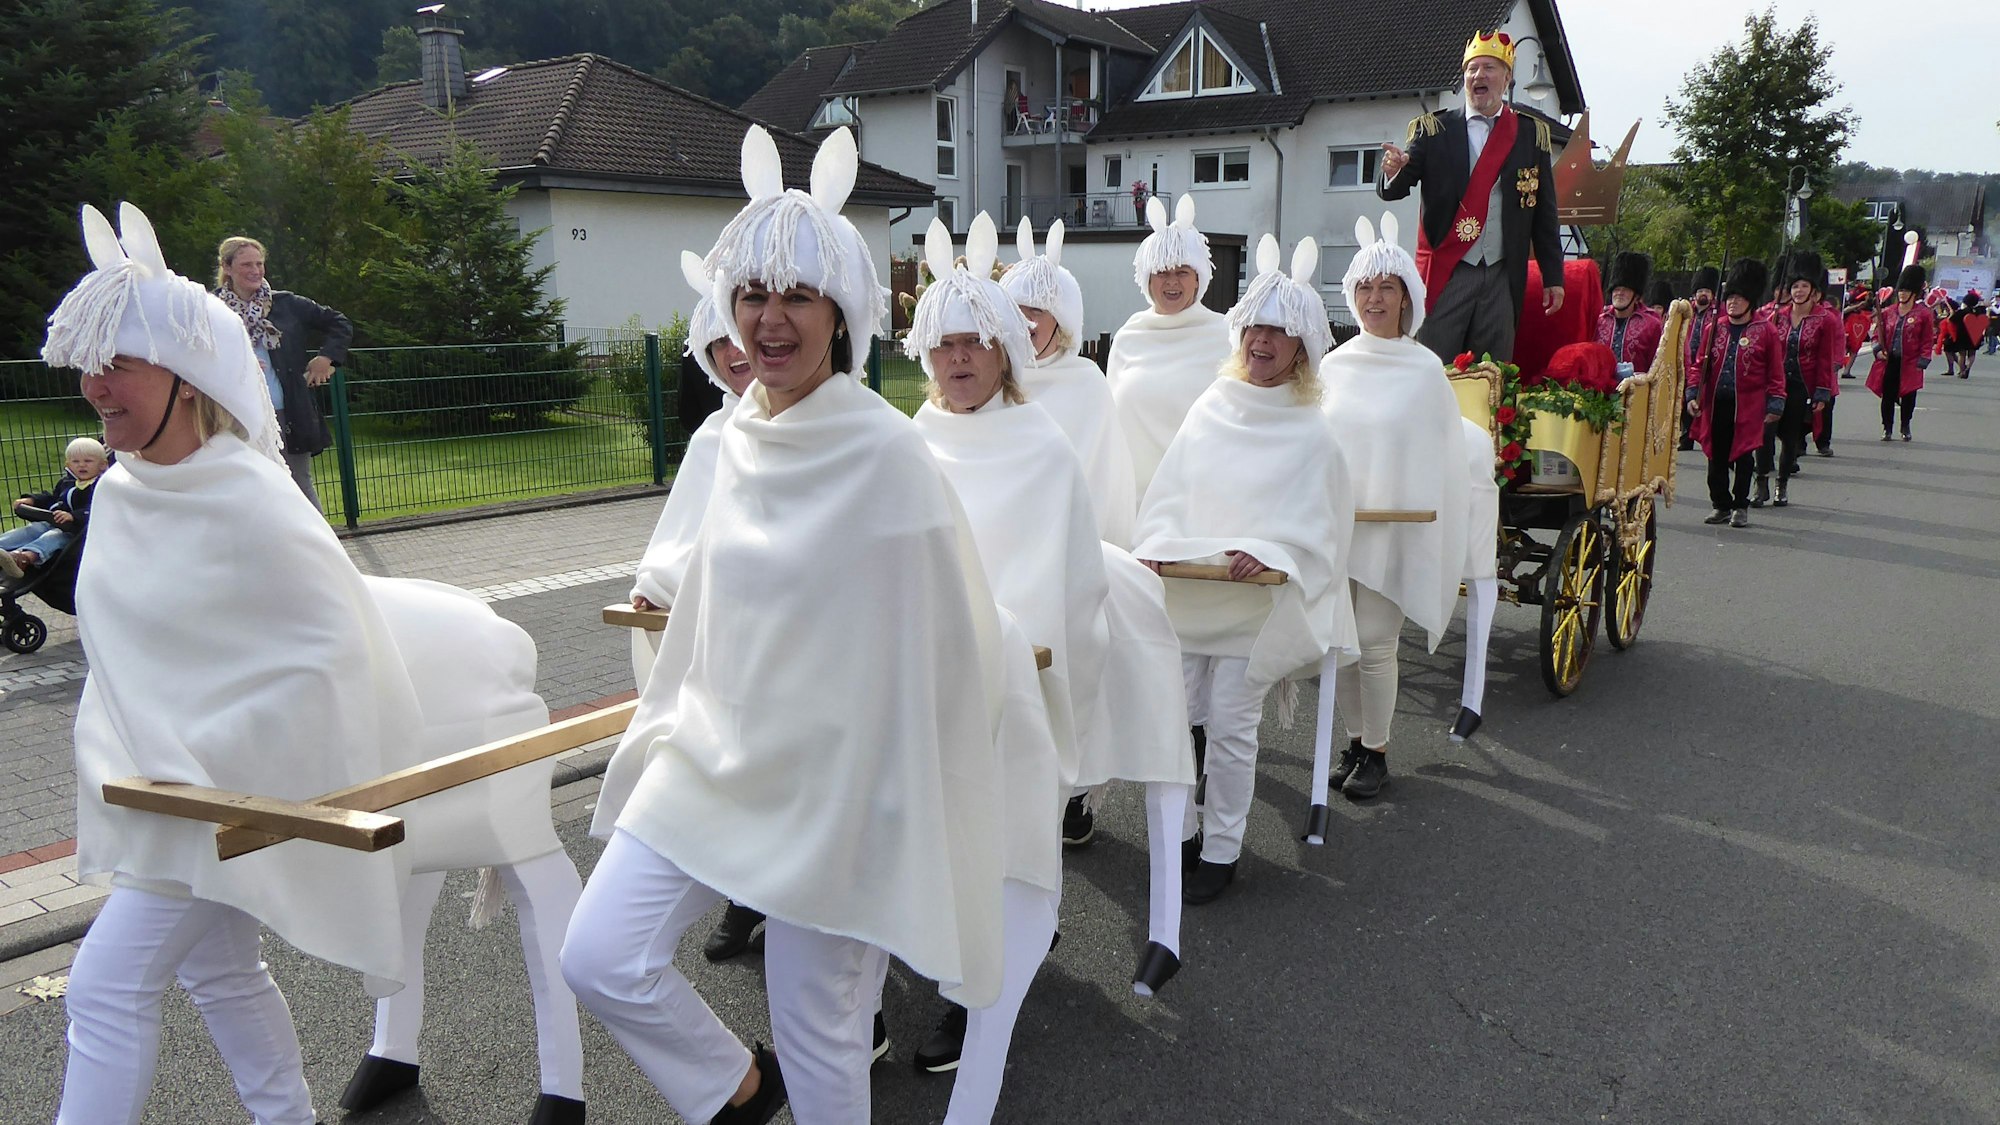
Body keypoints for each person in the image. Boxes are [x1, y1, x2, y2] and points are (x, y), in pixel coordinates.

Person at [561, 126, 1009, 1125]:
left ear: (839, 313)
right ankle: (732, 1086)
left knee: (822, 1038)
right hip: (713, 759)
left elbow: (944, 650)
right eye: (752, 295)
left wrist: (889, 803)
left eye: (795, 297)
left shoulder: (887, 457)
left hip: (836, 795)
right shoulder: (735, 440)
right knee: (598, 955)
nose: (768, 321)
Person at [905, 213, 1090, 1116]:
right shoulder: (908, 443)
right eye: (943, 344)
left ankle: (968, 990)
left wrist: (1008, 639)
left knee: (986, 834)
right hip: (922, 673)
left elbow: (1071, 583)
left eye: (977, 340)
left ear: (1008, 350)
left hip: (1013, 678)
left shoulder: (1043, 447)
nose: (959, 358)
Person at [1133, 234, 1356, 906]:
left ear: (1302, 347)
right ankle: (1182, 832)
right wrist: (1160, 542)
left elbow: (1322, 522)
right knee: (1174, 717)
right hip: (1192, 598)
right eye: (1255, 326)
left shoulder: (1312, 428)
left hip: (1254, 607)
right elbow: (1172, 492)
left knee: (1230, 726)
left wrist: (1278, 551)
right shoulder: (1212, 406)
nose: (1263, 341)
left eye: (1280, 331)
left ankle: (1222, 849)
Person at [624, 253, 775, 968]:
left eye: (736, 342)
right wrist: (656, 582)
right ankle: (743, 895)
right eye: (717, 348)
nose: (731, 356)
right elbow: (686, 531)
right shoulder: (712, 436)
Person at [1319, 213, 1472, 798]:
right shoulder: (1333, 365)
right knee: (1344, 643)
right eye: (1364, 287)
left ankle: (1377, 752)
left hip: (1392, 530)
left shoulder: (1423, 370)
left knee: (1376, 642)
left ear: (1408, 297)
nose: (1374, 298)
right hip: (1340, 530)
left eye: (1387, 287)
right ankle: (1356, 742)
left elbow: (1440, 456)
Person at [1378, 29, 1564, 364]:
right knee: (1432, 367)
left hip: (1502, 274)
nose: (1479, 76)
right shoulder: (1433, 130)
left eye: (1489, 68)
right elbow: (1398, 185)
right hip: (1449, 271)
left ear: (1507, 78)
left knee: (1492, 376)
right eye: (1472, 69)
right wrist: (1393, 172)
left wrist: (1553, 276)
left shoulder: (1530, 134)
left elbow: (1544, 213)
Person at [1001, 217, 1137, 546]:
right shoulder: (995, 379)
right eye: (1016, 310)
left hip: (1069, 542)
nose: (1026, 322)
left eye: (1036, 310)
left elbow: (1097, 480)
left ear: (1062, 322)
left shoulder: (1086, 384)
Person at [1105, 193, 1233, 501]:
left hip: (1199, 501)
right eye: (1161, 272)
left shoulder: (1226, 336)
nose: (1171, 282)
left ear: (1199, 278)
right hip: (1132, 502)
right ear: (1147, 280)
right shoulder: (1128, 337)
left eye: (1181, 272)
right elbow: (1110, 426)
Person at [214, 236, 352, 506]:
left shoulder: (286, 304)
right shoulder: (210, 309)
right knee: (246, 492)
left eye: (259, 263)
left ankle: (318, 548)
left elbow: (339, 323)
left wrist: (327, 358)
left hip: (287, 413)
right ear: (227, 267)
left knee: (298, 486)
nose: (255, 270)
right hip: (234, 417)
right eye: (246, 265)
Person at [1686, 259, 1782, 527]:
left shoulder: (1766, 331)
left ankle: (1741, 505)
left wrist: (1775, 403)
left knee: (1743, 455)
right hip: (1716, 404)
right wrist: (1693, 393)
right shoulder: (1713, 328)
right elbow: (1699, 365)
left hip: (1749, 405)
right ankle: (1720, 504)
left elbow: (1775, 371)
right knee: (1714, 456)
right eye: (1730, 299)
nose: (1733, 303)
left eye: (1739, 299)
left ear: (1750, 301)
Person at [1754, 252, 1838, 506]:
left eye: (1804, 286)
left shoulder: (1826, 320)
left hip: (1801, 385)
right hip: (1773, 384)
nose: (1799, 291)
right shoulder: (1775, 315)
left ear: (1814, 291)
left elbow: (1826, 358)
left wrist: (1822, 392)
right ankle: (1761, 485)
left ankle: (1782, 485)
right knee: (1764, 434)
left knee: (1790, 437)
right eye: (1795, 286)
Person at [0, 437, 105, 579]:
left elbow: (97, 509)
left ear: (102, 465)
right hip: (53, 522)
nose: (82, 465)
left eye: (88, 461)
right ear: (68, 464)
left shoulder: (101, 486)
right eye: (76, 461)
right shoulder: (67, 482)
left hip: (76, 532)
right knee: (31, 530)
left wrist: (73, 516)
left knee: (53, 537)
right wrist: (32, 500)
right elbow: (53, 500)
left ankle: (24, 558)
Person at [1865, 263, 1937, 441]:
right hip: (1889, 361)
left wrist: (1924, 358)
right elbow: (1876, 335)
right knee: (1887, 397)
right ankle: (1887, 427)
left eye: (1906, 290)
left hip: (1911, 363)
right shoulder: (1888, 312)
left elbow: (1927, 339)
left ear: (1914, 292)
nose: (1902, 294)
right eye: (1900, 290)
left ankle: (1905, 425)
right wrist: (1877, 350)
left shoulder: (1924, 314)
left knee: (1909, 396)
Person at [1595, 251, 1665, 372]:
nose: (1620, 293)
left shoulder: (1652, 325)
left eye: (1626, 289)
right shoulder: (1599, 320)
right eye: (1616, 289)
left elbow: (1656, 367)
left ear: (1636, 296)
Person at [1681, 265, 1720, 449]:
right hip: (1686, 361)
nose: (1703, 294)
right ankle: (1686, 437)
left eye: (1706, 291)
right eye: (1700, 290)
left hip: (1706, 362)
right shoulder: (1685, 311)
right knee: (1685, 400)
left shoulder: (1719, 313)